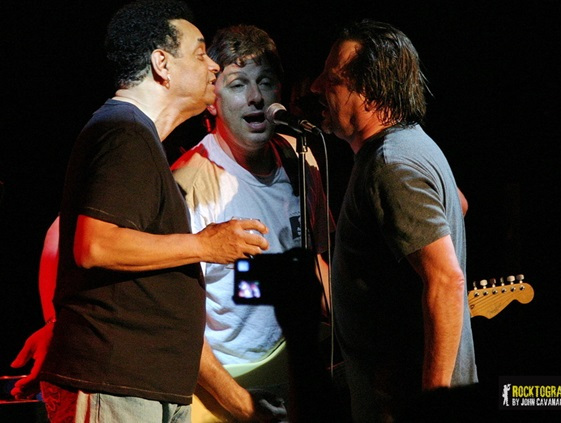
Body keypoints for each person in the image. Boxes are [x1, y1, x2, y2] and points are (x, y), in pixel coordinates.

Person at [9, 1, 270, 422]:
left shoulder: (134, 135)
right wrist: (204, 245)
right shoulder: (123, 131)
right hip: (115, 385)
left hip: (138, 386)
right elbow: (94, 245)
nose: (213, 67)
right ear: (162, 64)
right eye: (200, 54)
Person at [309, 19, 478, 421]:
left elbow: (447, 281)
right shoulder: (410, 145)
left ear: (369, 94)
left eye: (332, 79)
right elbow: (458, 204)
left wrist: (431, 405)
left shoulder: (390, 163)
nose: (315, 87)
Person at [170, 24, 333, 421]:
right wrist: (243, 405)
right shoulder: (189, 182)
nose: (255, 97)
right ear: (212, 100)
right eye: (238, 84)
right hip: (222, 391)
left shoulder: (300, 158)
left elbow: (318, 264)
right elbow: (176, 322)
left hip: (291, 375)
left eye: (265, 82)